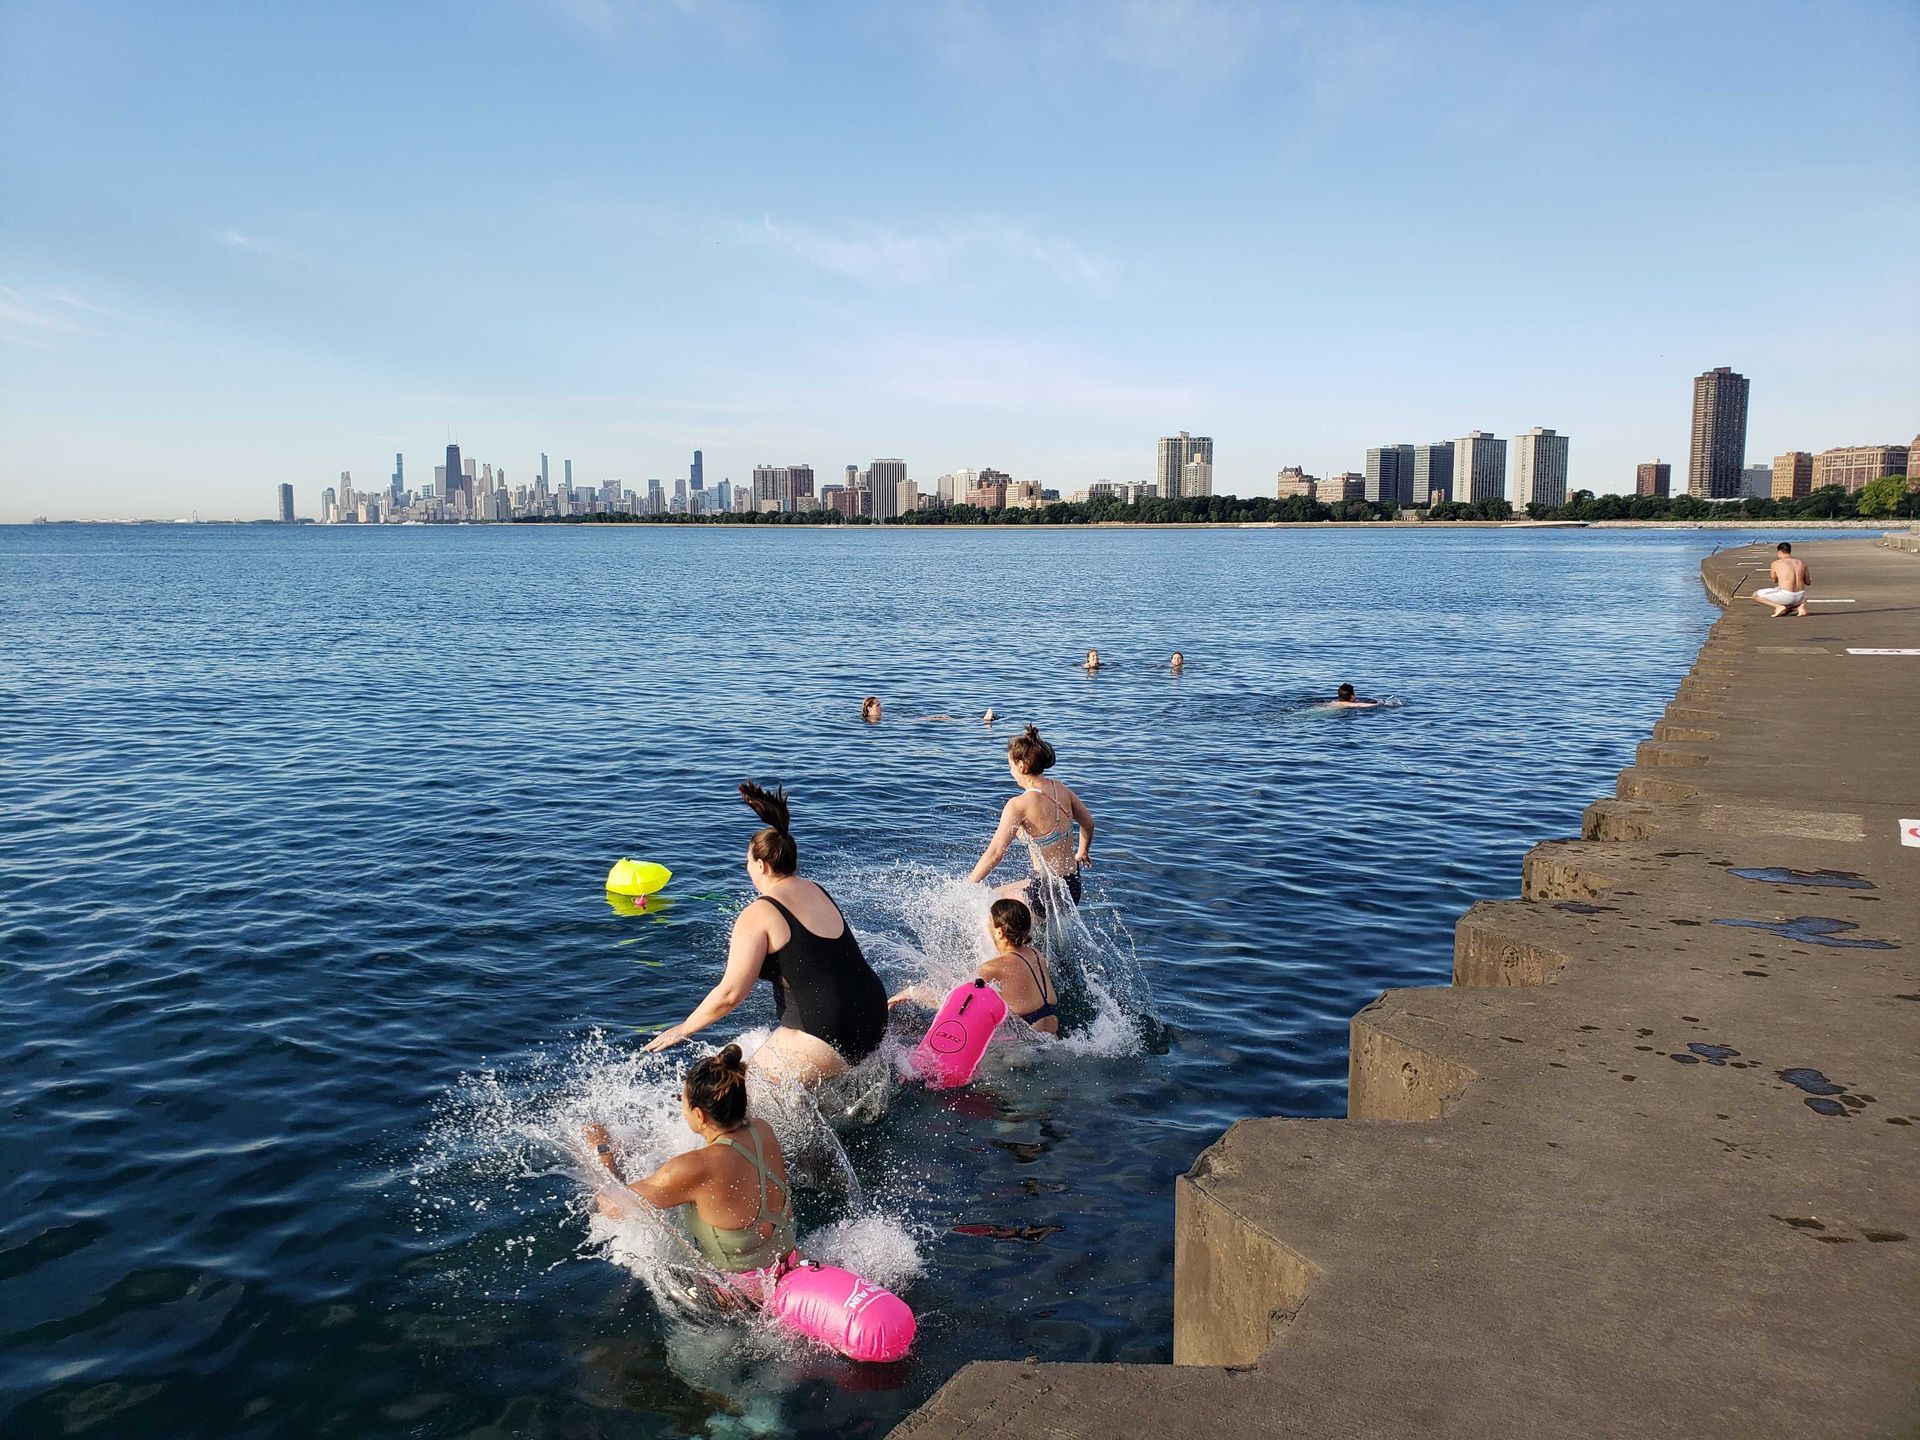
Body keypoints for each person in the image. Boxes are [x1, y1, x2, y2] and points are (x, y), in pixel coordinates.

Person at [644, 783, 888, 1084]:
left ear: (761, 864)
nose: (747, 867)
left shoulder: (759, 913)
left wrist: (684, 1028)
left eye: (748, 861)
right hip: (874, 1019)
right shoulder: (816, 890)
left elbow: (731, 993)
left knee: (739, 1096)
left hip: (829, 1032)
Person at [583, 1044, 796, 1288]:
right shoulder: (763, 1130)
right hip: (788, 1261)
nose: (681, 1110)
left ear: (699, 1115)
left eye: (681, 1101)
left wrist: (602, 1151)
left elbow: (613, 1205)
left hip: (740, 1295)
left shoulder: (694, 1167)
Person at [967, 725, 1094, 919]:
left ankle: (1011, 949)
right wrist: (1082, 852)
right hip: (1072, 886)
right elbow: (1088, 823)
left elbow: (996, 853)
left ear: (1020, 766)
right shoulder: (1060, 788)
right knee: (999, 892)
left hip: (1045, 892)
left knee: (991, 905)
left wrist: (969, 884)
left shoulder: (1018, 805)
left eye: (1010, 765)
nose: (1010, 771)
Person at [891, 898, 1058, 1034]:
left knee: (912, 1031)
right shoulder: (1036, 954)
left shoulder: (993, 968)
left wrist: (912, 992)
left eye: (989, 923)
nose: (987, 926)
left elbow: (952, 1002)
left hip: (1023, 1048)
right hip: (1052, 1035)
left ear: (999, 932)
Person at [1751, 542, 1811, 618]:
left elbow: (1774, 580)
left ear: (1779, 552)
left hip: (1786, 595)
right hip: (1800, 596)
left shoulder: (1776, 563)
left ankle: (1778, 606)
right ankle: (1800, 607)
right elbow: (1808, 582)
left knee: (1755, 595)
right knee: (1784, 593)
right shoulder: (1801, 563)